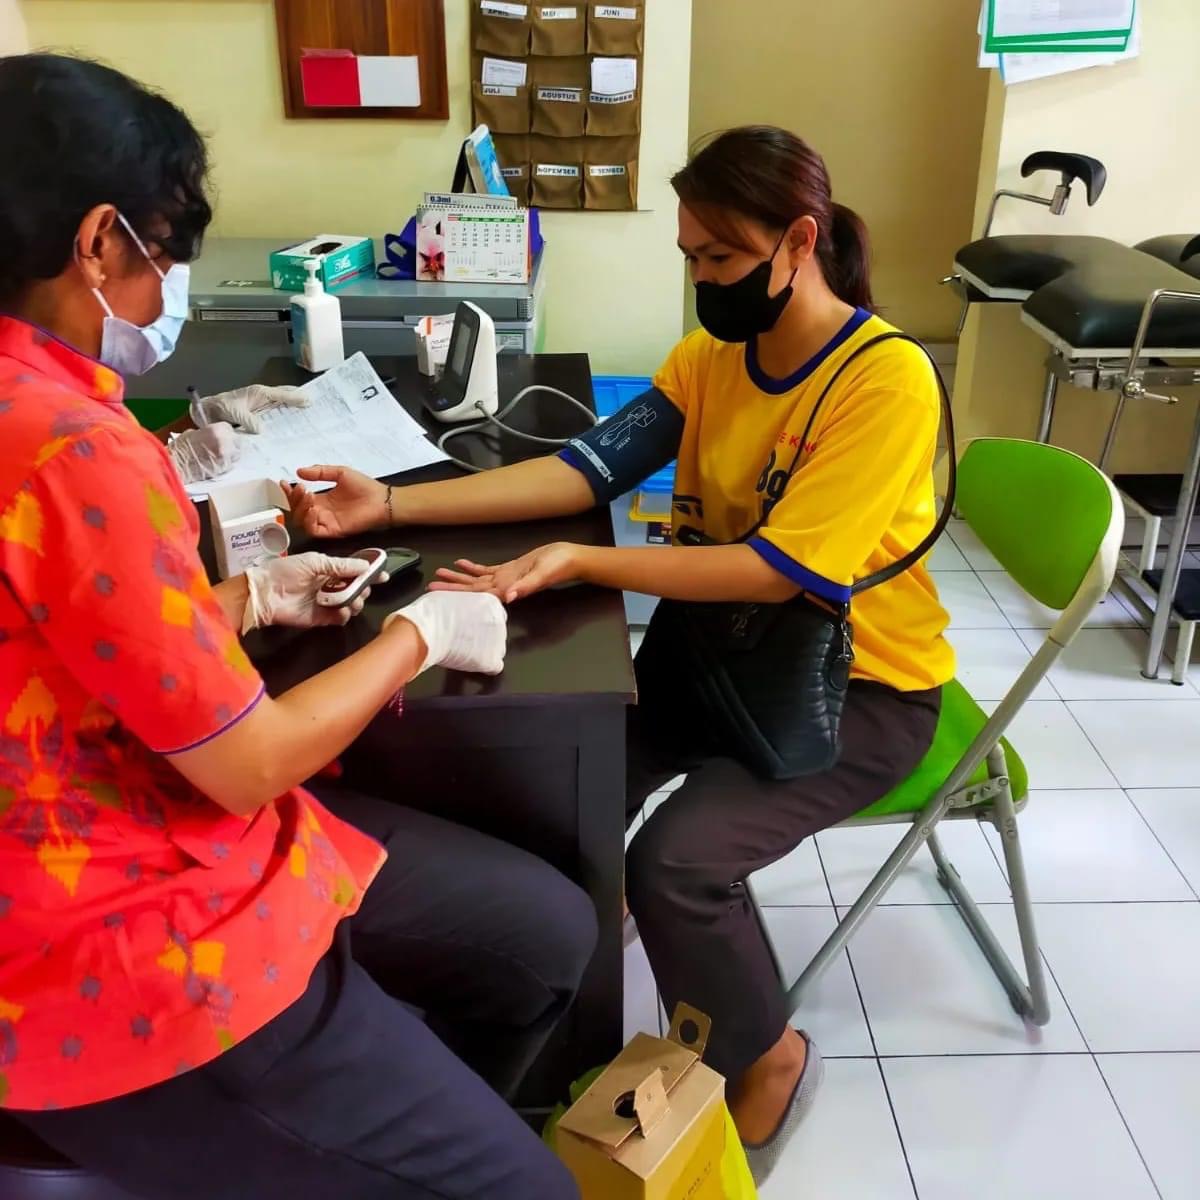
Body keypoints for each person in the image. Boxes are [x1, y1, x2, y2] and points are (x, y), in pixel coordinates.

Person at [287, 125, 955, 1184]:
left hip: (856, 689)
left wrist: (579, 563)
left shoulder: (886, 381)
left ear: (800, 242)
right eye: (690, 256)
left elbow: (780, 570)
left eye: (722, 257)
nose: (702, 280)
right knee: (555, 788)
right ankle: (556, 1019)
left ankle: (771, 1058)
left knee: (676, 861)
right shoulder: (712, 360)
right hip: (720, 662)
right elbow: (584, 469)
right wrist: (395, 505)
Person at [0, 53, 594, 1200]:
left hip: (147, 831)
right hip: (126, 944)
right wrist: (422, 632)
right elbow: (245, 762)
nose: (171, 286)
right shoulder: (73, 451)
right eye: (165, 253)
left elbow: (74, 651)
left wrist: (247, 598)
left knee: (542, 934)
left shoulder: (51, 417)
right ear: (98, 241)